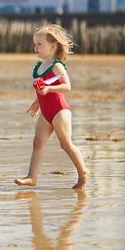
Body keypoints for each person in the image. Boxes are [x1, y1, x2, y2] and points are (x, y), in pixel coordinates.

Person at [15, 24, 89, 190]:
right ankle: (31, 177)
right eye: (34, 44)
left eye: (39, 44)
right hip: (45, 112)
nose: (35, 47)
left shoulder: (57, 66)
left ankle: (82, 171)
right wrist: (36, 102)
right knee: (37, 143)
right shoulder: (39, 67)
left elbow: (67, 86)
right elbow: (40, 88)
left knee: (66, 144)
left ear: (53, 46)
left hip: (59, 110)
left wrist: (49, 89)